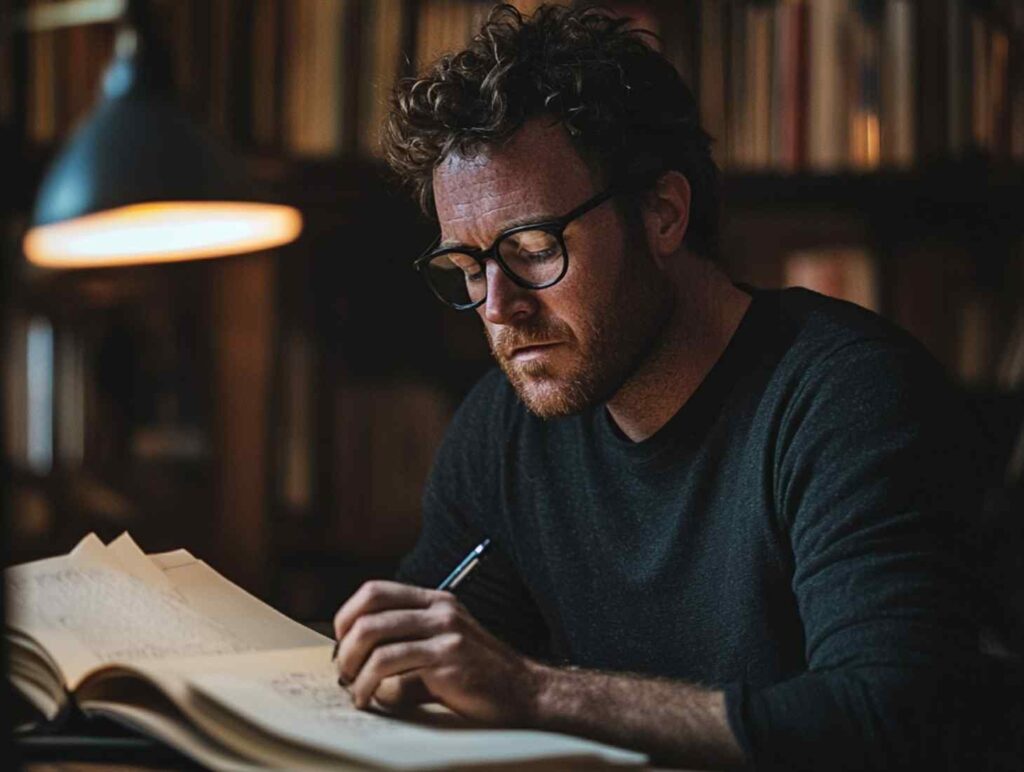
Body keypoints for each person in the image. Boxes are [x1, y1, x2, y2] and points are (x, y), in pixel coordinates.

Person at [332, 5, 1011, 769]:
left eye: (532, 248)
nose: (498, 308)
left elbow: (889, 718)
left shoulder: (849, 400)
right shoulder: (504, 428)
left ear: (663, 214)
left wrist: (536, 690)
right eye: (467, 267)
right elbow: (433, 671)